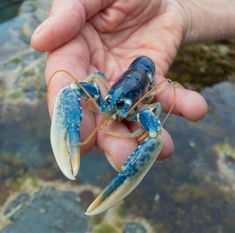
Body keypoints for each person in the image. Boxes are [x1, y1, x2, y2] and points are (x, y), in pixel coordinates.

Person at [31, 0, 235, 171]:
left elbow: (154, 107)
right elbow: (93, 77)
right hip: (132, 72)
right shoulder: (107, 96)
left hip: (145, 69)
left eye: (117, 106)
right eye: (109, 101)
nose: (109, 109)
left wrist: (144, 127)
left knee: (155, 136)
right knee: (73, 89)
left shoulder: (141, 104)